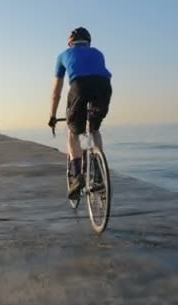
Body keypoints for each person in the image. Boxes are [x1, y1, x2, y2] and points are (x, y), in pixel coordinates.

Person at [48, 27, 113, 200]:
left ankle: (78, 177)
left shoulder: (63, 55)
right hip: (104, 88)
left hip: (80, 88)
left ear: (70, 44)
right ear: (89, 42)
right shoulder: (98, 53)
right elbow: (97, 74)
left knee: (73, 132)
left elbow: (57, 91)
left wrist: (53, 116)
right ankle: (99, 172)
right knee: (94, 129)